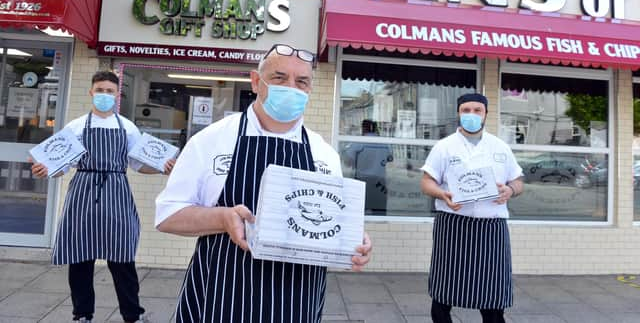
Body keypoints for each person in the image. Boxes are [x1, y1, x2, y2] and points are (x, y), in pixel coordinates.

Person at [155, 43, 372, 323]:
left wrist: (352, 242)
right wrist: (222, 218)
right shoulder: (210, 141)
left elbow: (330, 223)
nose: (291, 87)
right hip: (223, 298)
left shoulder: (323, 154)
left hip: (297, 302)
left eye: (302, 81)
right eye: (280, 78)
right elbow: (167, 215)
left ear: (309, 90)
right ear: (256, 82)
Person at [31, 70, 176, 323]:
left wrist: (163, 167)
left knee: (122, 259)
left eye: (109, 91)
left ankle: (132, 315)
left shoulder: (128, 128)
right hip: (83, 195)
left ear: (117, 95)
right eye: (100, 90)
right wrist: (45, 170)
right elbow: (61, 165)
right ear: (91, 92)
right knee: (80, 259)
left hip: (116, 192)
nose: (104, 95)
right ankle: (82, 314)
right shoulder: (75, 127)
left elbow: (138, 164)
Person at [420, 93, 524, 323]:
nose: (471, 115)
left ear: (486, 114)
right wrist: (442, 194)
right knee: (444, 290)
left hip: (492, 228)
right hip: (453, 225)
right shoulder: (444, 147)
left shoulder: (500, 147)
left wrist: (511, 190)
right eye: (466, 110)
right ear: (458, 113)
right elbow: (427, 182)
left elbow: (518, 181)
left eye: (477, 110)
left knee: (493, 296)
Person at [345, 119, 393, 214]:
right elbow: (390, 159)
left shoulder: (359, 142)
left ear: (364, 128)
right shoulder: (385, 143)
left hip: (362, 181)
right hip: (380, 182)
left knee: (359, 214)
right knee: (379, 213)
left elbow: (348, 162)